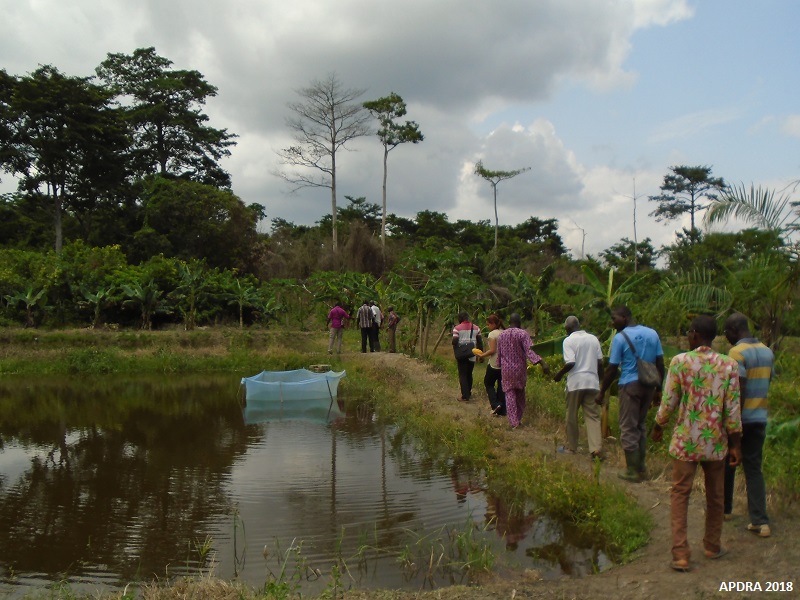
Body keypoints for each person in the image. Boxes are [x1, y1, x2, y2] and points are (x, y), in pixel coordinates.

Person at [651, 314, 742, 572]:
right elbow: (733, 410)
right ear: (714, 337)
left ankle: (681, 554)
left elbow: (669, 401)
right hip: (715, 442)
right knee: (715, 496)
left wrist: (658, 425)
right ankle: (712, 545)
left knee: (680, 494)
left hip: (685, 441)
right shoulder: (729, 365)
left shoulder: (680, 362)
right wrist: (735, 444)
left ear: (693, 334)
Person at [596, 305, 664, 481]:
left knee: (628, 427)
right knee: (640, 425)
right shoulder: (652, 334)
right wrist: (659, 389)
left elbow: (612, 369)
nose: (612, 322)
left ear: (624, 317)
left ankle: (632, 471)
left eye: (614, 318)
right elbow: (660, 363)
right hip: (648, 385)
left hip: (629, 385)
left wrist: (602, 391)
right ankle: (642, 468)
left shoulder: (620, 338)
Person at [723, 312, 774, 537]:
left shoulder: (736, 353)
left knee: (729, 461)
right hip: (760, 417)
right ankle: (760, 521)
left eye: (726, 332)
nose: (726, 336)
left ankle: (725, 510)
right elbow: (766, 381)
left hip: (741, 418)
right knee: (754, 469)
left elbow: (738, 387)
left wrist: (733, 421)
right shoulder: (767, 351)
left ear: (734, 330)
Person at [553, 316, 603, 459]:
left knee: (571, 416)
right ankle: (596, 449)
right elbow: (600, 362)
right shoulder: (593, 339)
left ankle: (571, 447)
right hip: (592, 382)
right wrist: (600, 382)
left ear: (567, 328)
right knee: (593, 416)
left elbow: (570, 363)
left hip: (575, 383)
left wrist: (559, 375)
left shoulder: (569, 341)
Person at [496, 313, 549, 428]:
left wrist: (498, 365)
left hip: (506, 370)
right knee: (520, 394)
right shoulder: (522, 334)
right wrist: (542, 363)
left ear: (509, 322)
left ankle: (513, 422)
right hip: (519, 369)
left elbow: (499, 353)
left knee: (509, 394)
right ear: (519, 322)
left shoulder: (501, 335)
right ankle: (518, 419)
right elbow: (530, 351)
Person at [475, 314, 506, 416]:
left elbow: (492, 350)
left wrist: (482, 355)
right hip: (504, 363)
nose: (488, 326)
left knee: (488, 383)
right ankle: (502, 409)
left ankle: (495, 403)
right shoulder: (504, 333)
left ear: (493, 324)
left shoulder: (492, 334)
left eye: (488, 324)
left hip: (494, 363)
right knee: (501, 386)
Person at [452, 311, 483, 402]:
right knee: (469, 374)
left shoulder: (457, 328)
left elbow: (454, 341)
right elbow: (480, 342)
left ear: (460, 319)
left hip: (462, 355)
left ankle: (465, 396)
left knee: (463, 375)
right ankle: (468, 393)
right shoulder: (476, 328)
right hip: (472, 354)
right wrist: (480, 355)